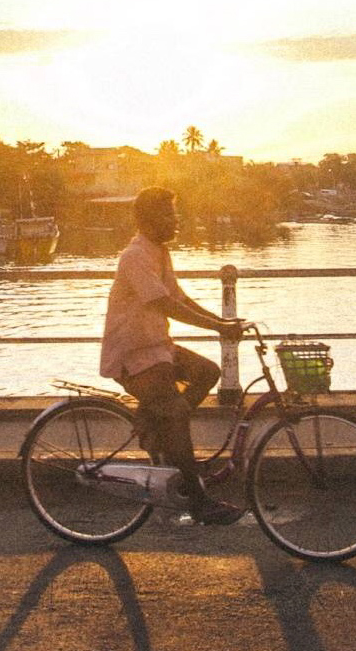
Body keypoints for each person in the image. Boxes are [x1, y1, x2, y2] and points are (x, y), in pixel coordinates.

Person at [100, 187, 246, 525]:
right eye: (169, 214)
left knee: (207, 372)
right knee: (178, 414)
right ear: (149, 219)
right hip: (133, 353)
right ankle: (198, 501)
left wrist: (221, 322)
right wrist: (215, 327)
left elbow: (178, 298)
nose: (176, 221)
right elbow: (162, 304)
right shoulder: (134, 256)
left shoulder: (160, 253)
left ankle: (157, 425)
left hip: (157, 348)